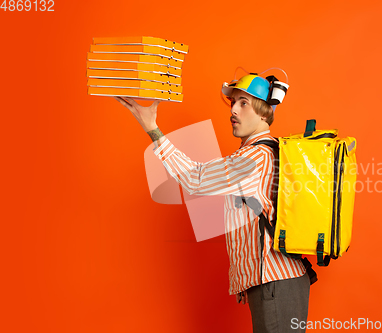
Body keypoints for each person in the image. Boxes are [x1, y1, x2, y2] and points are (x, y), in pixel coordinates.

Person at [114, 73, 310, 332]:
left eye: (244, 103)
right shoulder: (258, 152)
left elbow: (194, 179)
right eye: (233, 103)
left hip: (275, 282)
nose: (234, 110)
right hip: (274, 282)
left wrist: (152, 127)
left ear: (264, 113)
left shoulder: (256, 157)